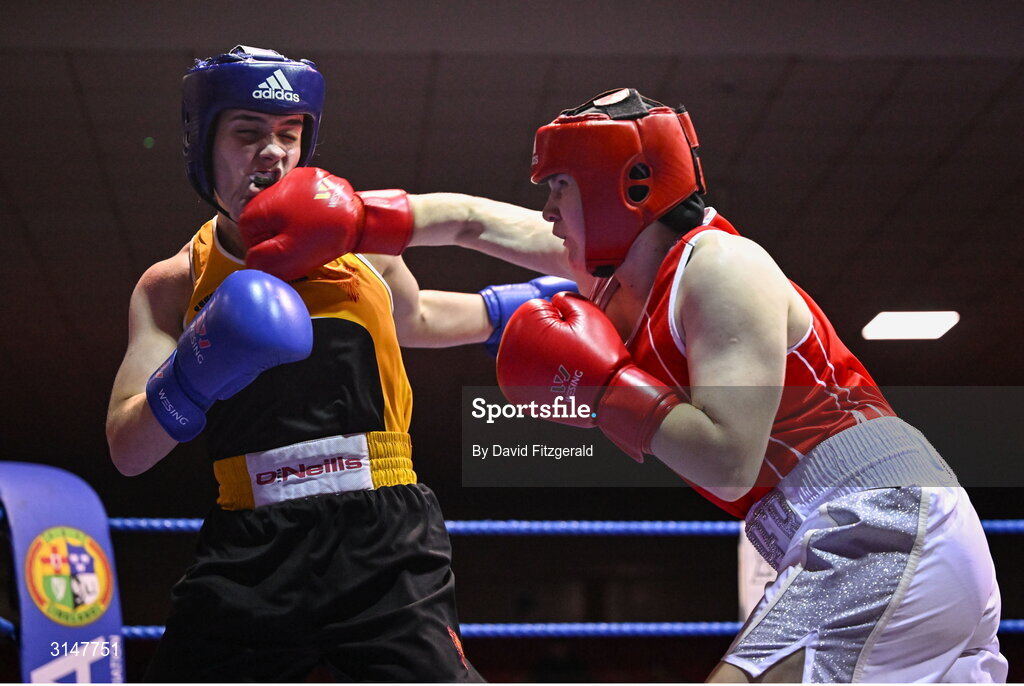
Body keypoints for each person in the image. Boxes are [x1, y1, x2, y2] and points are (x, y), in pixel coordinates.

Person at [275, 87, 1007, 682]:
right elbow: (465, 224)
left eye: (560, 189)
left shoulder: (722, 267)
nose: (546, 212)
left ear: (620, 187)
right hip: (845, 534)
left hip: (880, 523)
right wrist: (359, 219)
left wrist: (606, 386)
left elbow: (728, 458)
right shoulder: (612, 276)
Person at [104, 45, 575, 682]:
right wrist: (194, 371)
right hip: (249, 543)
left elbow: (417, 318)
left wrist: (516, 308)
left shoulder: (358, 245)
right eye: (248, 133)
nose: (272, 152)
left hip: (382, 529)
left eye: (288, 134)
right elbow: (128, 449)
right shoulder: (173, 284)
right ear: (202, 144)